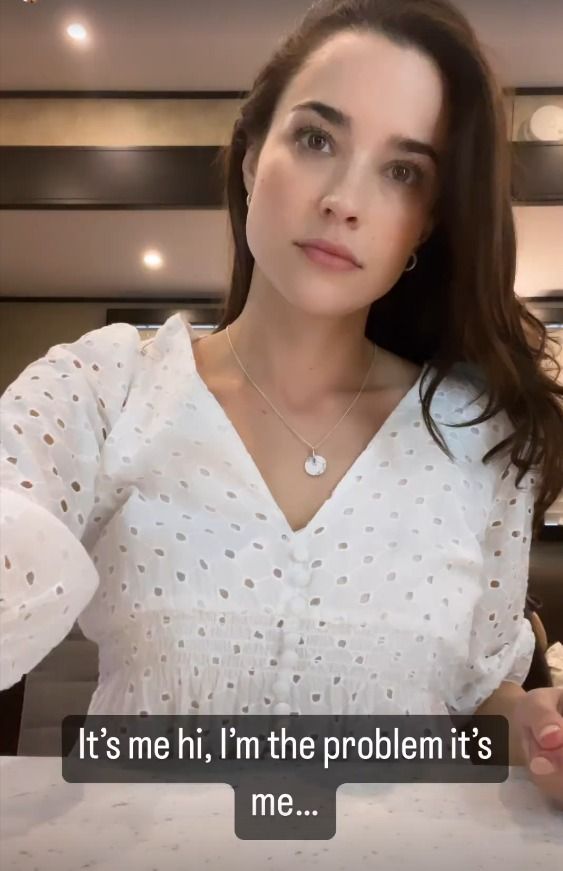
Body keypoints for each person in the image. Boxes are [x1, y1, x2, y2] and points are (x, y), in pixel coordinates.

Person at [1, 0, 562, 807]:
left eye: (402, 171)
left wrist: (536, 727)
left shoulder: (473, 435)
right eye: (316, 139)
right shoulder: (107, 388)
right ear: (249, 156)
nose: (343, 199)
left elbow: (478, 697)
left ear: (425, 224)